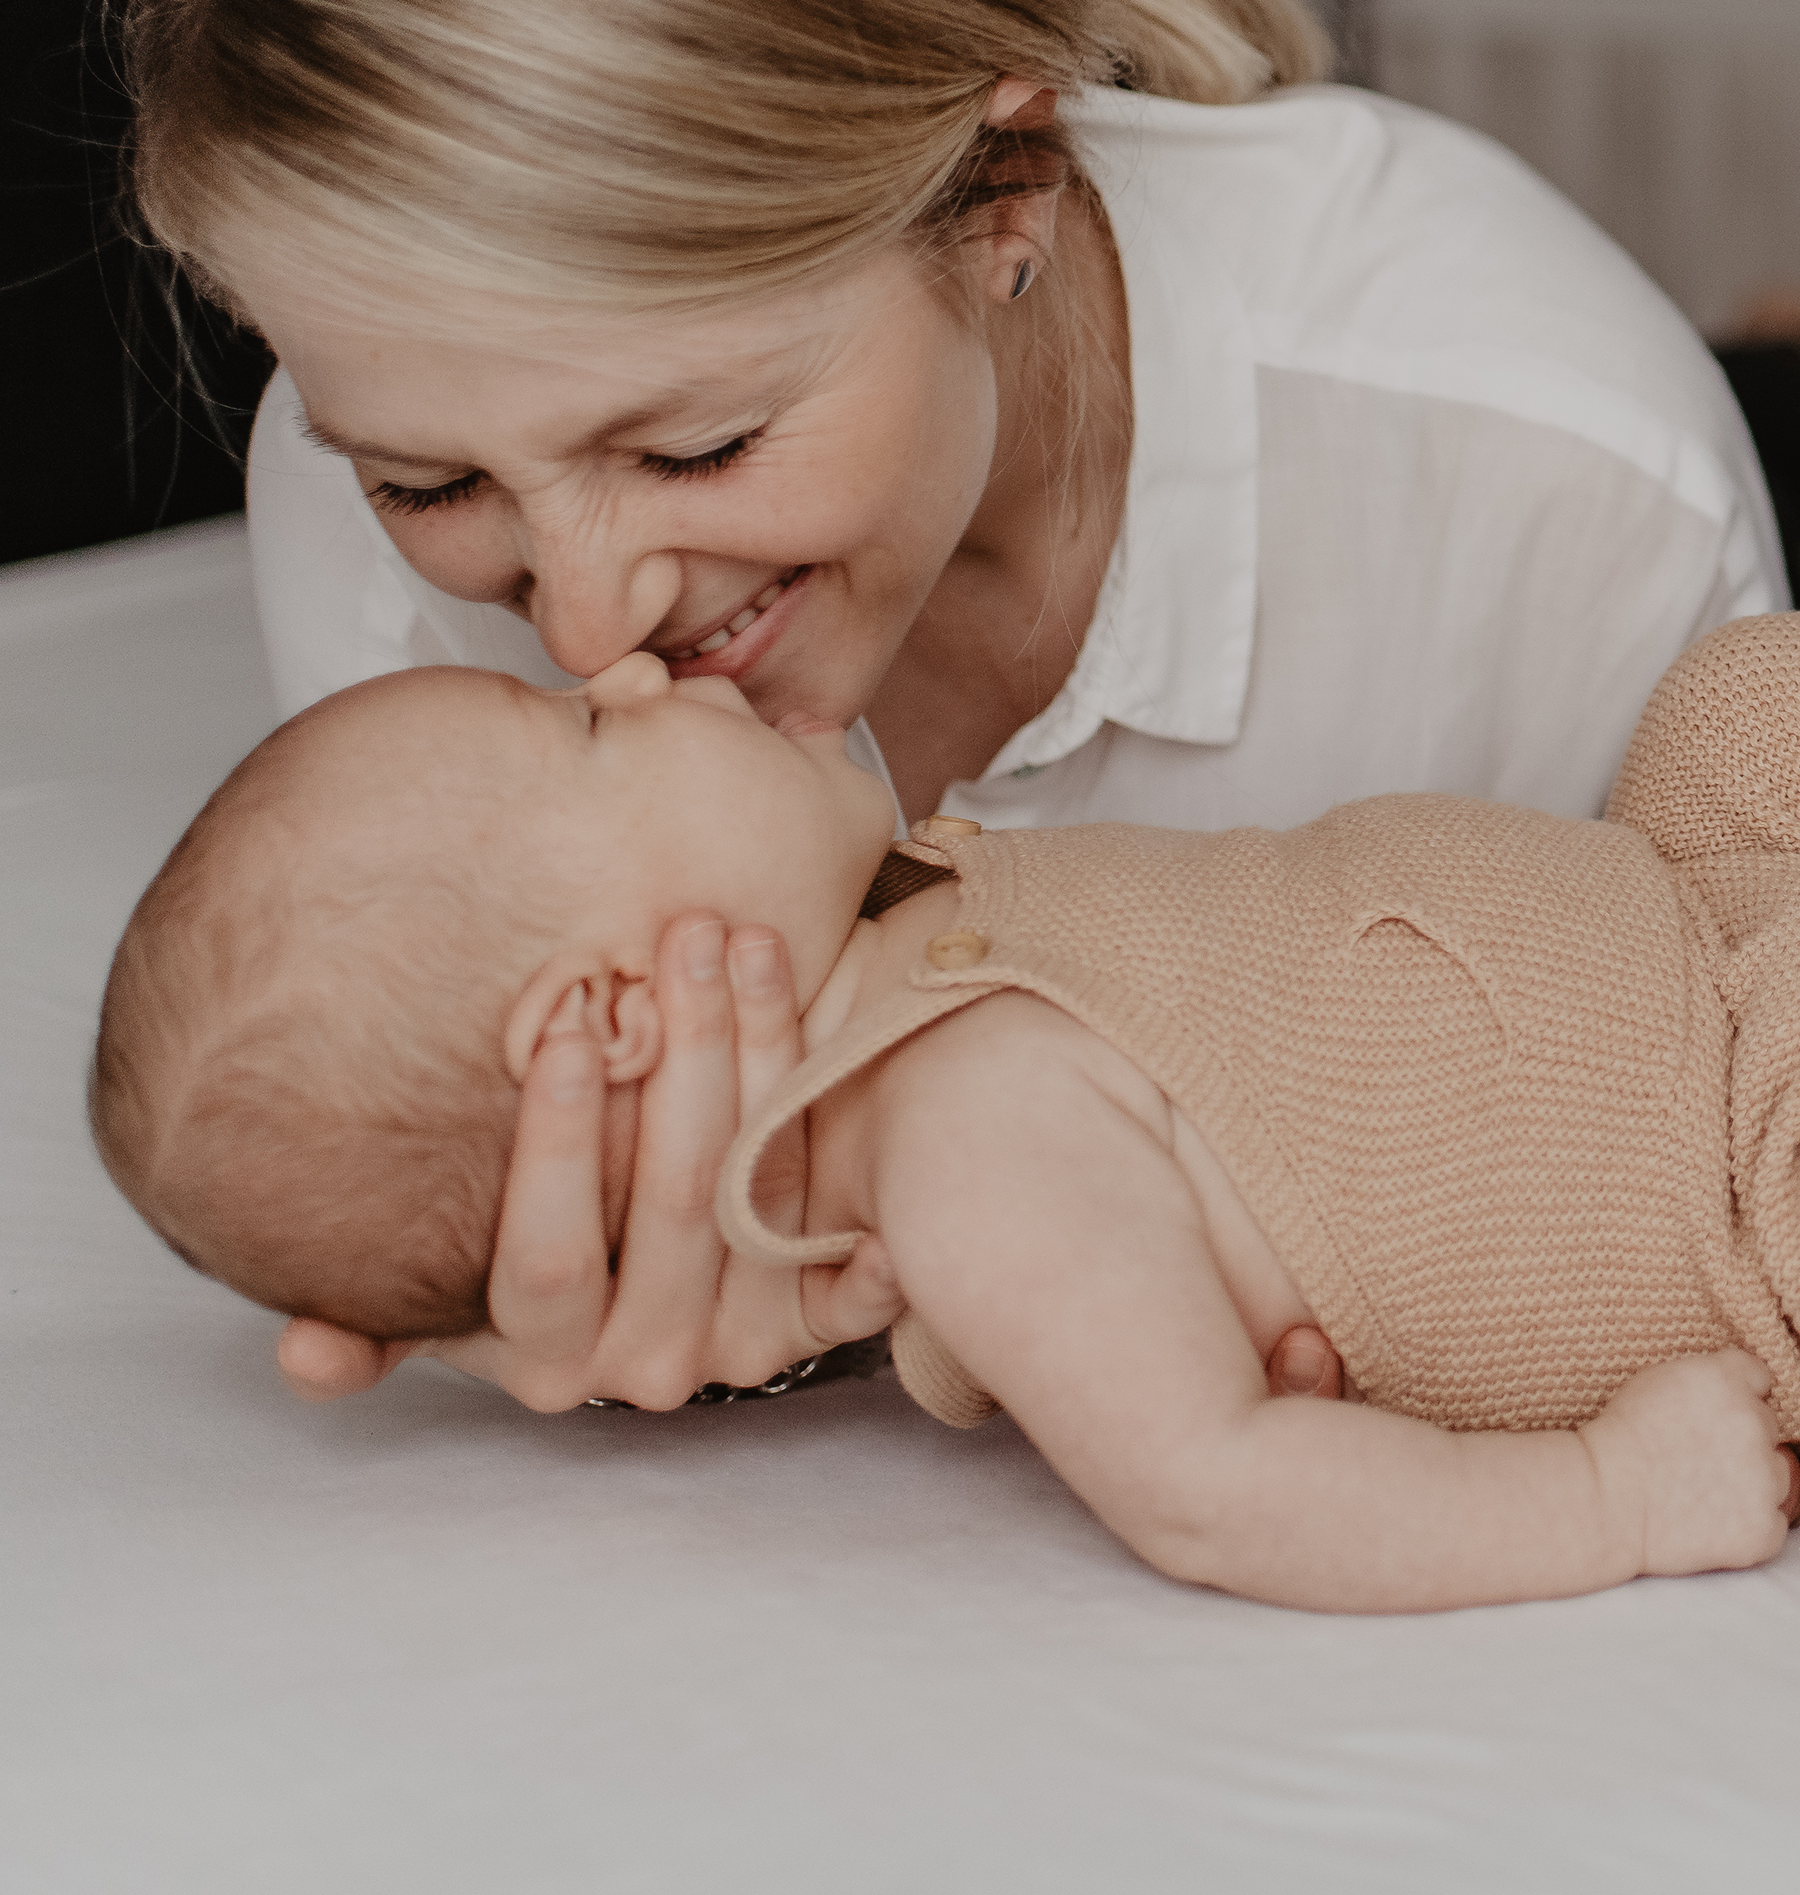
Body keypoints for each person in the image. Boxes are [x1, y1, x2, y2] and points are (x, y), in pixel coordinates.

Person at [114, 0, 1784, 1415]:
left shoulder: (1550, 494)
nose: (584, 631)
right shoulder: (347, 531)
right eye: (435, 482)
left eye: (696, 446)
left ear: (1005, 191)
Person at [93, 620, 1800, 1612]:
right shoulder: (958, 1149)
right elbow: (1211, 1480)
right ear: (613, 1021)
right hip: (1722, 1167)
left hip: (1687, 909)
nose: (620, 660)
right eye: (586, 729)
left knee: (1740, 696)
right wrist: (1611, 1502)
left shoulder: (910, 928)